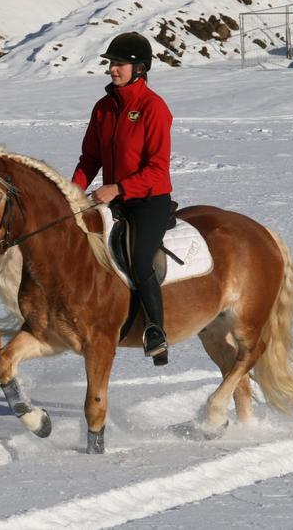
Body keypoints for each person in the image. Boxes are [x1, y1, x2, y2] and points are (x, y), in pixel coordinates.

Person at [71, 32, 173, 363]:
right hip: (112, 200)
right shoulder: (103, 108)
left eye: (119, 64)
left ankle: (155, 331)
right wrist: (71, 193)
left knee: (141, 260)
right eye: (111, 64)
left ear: (139, 68)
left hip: (148, 201)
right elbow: (89, 159)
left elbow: (158, 170)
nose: (112, 70)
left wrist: (118, 188)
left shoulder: (153, 108)